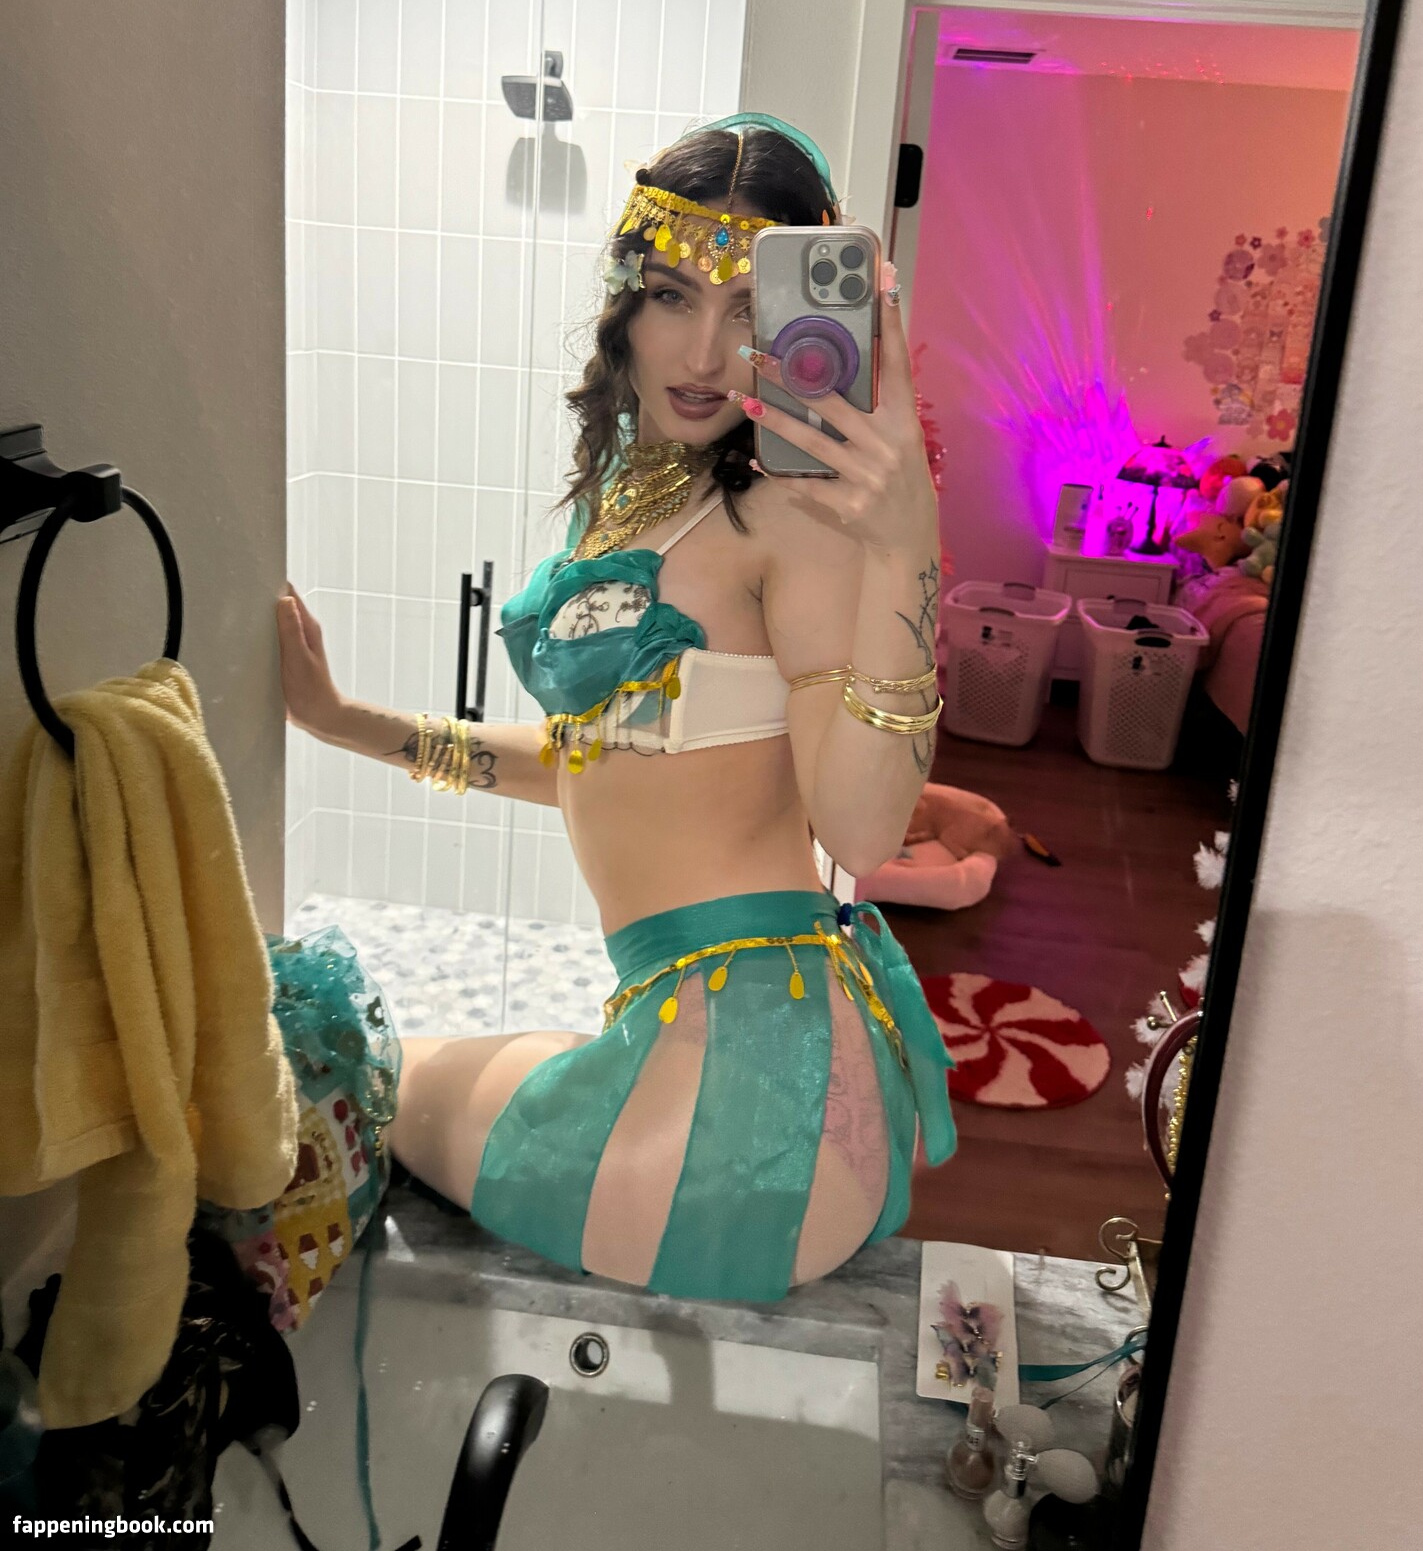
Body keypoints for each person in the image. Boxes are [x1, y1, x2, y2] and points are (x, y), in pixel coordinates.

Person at [277, 115, 956, 1304]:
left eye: (748, 310)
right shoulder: (644, 496)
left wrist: (907, 544)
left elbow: (859, 833)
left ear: (801, 330)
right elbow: (597, 760)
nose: (703, 350)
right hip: (715, 1049)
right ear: (626, 303)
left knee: (352, 1080)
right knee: (391, 1071)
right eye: (673, 295)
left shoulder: (791, 519)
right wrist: (346, 723)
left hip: (756, 1114)